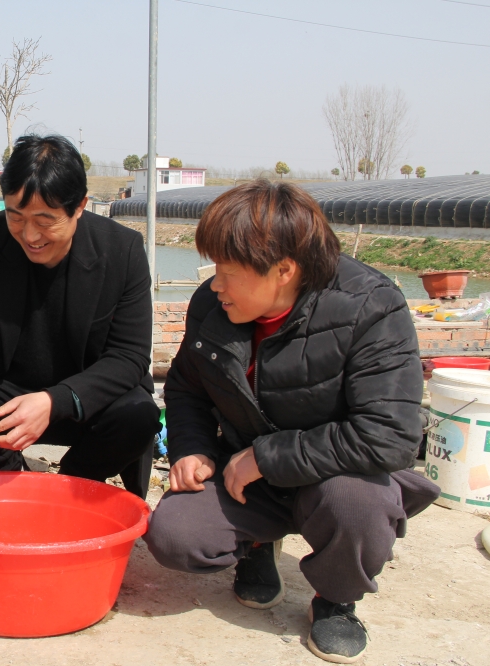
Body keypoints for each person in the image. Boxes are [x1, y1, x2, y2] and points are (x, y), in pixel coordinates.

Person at [143, 180, 439, 663]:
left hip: (336, 476)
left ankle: (337, 599)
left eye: (229, 272)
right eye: (214, 269)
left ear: (284, 270)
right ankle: (258, 542)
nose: (215, 284)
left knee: (356, 506)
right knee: (175, 536)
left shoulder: (371, 306)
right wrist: (192, 449)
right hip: (247, 475)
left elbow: (389, 436)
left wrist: (265, 457)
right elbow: (185, 389)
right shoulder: (212, 305)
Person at [0, 134, 162, 498]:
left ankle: (72, 483)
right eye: (15, 216)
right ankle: (10, 476)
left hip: (85, 393)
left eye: (45, 221)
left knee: (138, 415)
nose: (29, 235)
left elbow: (129, 356)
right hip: (5, 389)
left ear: (80, 206)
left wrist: (56, 400)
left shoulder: (122, 251)